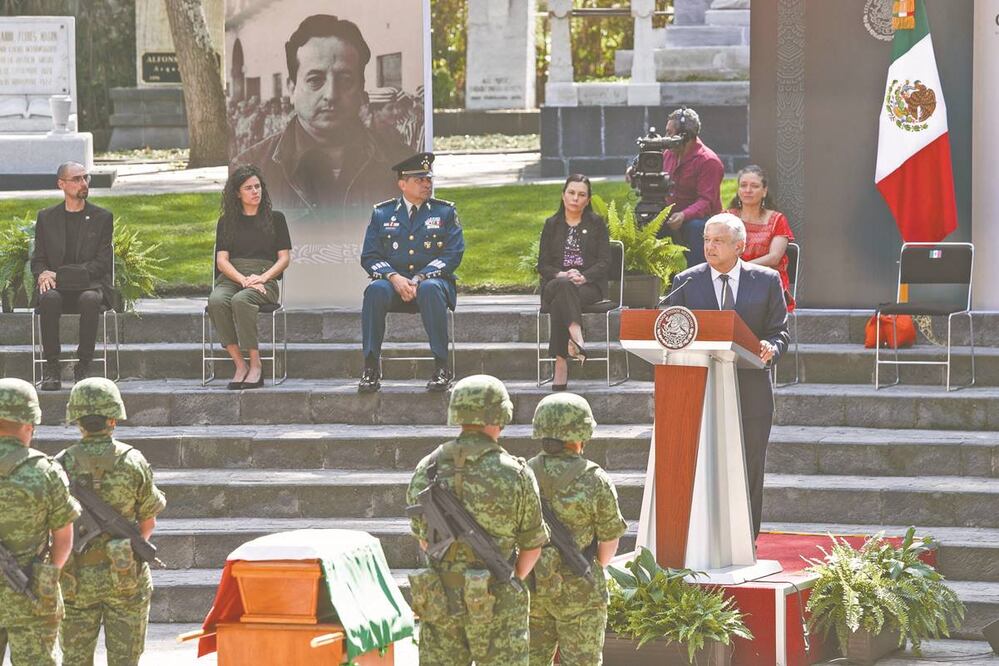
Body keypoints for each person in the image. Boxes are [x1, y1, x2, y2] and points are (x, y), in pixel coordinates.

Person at [406, 375, 549, 666]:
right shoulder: (516, 473)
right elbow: (533, 546)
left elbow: (423, 537)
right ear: (502, 415)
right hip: (499, 598)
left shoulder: (428, 467)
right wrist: (508, 578)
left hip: (441, 599)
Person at [665, 213, 789, 539]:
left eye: (718, 241)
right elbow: (668, 325)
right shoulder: (687, 281)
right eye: (706, 239)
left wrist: (770, 347)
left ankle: (745, 539)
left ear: (739, 246)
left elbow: (780, 333)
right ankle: (704, 538)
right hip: (700, 386)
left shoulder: (765, 281)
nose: (709, 246)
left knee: (749, 468)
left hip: (751, 389)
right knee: (705, 466)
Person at [234, 14, 411, 219]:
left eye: (345, 80)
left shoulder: (402, 164)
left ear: (361, 90)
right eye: (315, 79)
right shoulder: (250, 168)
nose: (331, 95)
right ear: (292, 88)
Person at [56, 378, 166, 666]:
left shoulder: (60, 464)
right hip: (125, 577)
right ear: (113, 419)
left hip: (76, 581)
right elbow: (148, 522)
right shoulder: (134, 461)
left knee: (75, 660)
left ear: (77, 420)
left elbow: (55, 528)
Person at [526, 393, 626, 666]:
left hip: (531, 586)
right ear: (582, 432)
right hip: (580, 588)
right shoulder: (594, 479)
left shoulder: (522, 474)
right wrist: (593, 565)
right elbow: (609, 541)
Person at [359, 152, 464, 393]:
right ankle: (370, 367)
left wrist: (419, 278)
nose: (427, 184)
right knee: (374, 290)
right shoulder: (382, 214)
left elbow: (453, 255)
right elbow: (370, 256)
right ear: (402, 184)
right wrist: (394, 278)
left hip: (433, 284)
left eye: (428, 179)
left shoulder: (444, 212)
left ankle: (441, 367)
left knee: (429, 289)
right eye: (419, 180)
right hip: (393, 285)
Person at [0, 378, 80, 665]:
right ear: (29, 425)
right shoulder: (45, 471)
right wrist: (48, 576)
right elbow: (63, 537)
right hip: (31, 593)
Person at [30, 161, 115, 391]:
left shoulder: (102, 217)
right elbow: (38, 260)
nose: (83, 183)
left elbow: (101, 264)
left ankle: (84, 365)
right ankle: (51, 367)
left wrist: (58, 274)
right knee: (49, 299)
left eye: (85, 178)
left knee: (90, 300)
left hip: (89, 284)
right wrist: (41, 274)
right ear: (61, 184)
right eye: (76, 179)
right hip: (56, 289)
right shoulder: (46, 218)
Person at [207, 165, 292, 390]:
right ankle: (240, 364)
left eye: (258, 186)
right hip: (232, 277)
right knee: (216, 300)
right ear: (237, 193)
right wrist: (243, 279)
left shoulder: (276, 218)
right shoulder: (227, 222)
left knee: (241, 300)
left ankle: (256, 365)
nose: (255, 191)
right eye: (248, 188)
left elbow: (284, 259)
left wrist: (261, 278)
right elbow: (222, 261)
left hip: (265, 280)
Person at [536, 175, 610, 391]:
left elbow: (605, 261)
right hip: (555, 283)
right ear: (563, 195)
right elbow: (543, 265)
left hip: (587, 287)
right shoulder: (552, 224)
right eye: (571, 193)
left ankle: (561, 364)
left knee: (563, 297)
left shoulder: (596, 224)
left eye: (581, 194)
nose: (575, 198)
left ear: (588, 200)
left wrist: (584, 276)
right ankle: (576, 336)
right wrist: (562, 274)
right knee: (563, 287)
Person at [628, 107, 723, 266]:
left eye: (669, 133)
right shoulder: (668, 153)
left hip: (698, 218)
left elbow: (706, 201)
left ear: (684, 136)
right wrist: (634, 169)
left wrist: (684, 215)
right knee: (643, 224)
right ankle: (656, 278)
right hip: (669, 213)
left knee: (696, 228)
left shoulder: (709, 161)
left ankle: (697, 279)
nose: (665, 138)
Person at [727, 165, 797, 311]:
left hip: (766, 281)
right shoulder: (726, 217)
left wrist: (742, 269)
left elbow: (774, 258)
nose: (748, 190)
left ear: (764, 191)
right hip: (731, 279)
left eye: (754, 186)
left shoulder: (777, 220)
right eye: (743, 185)